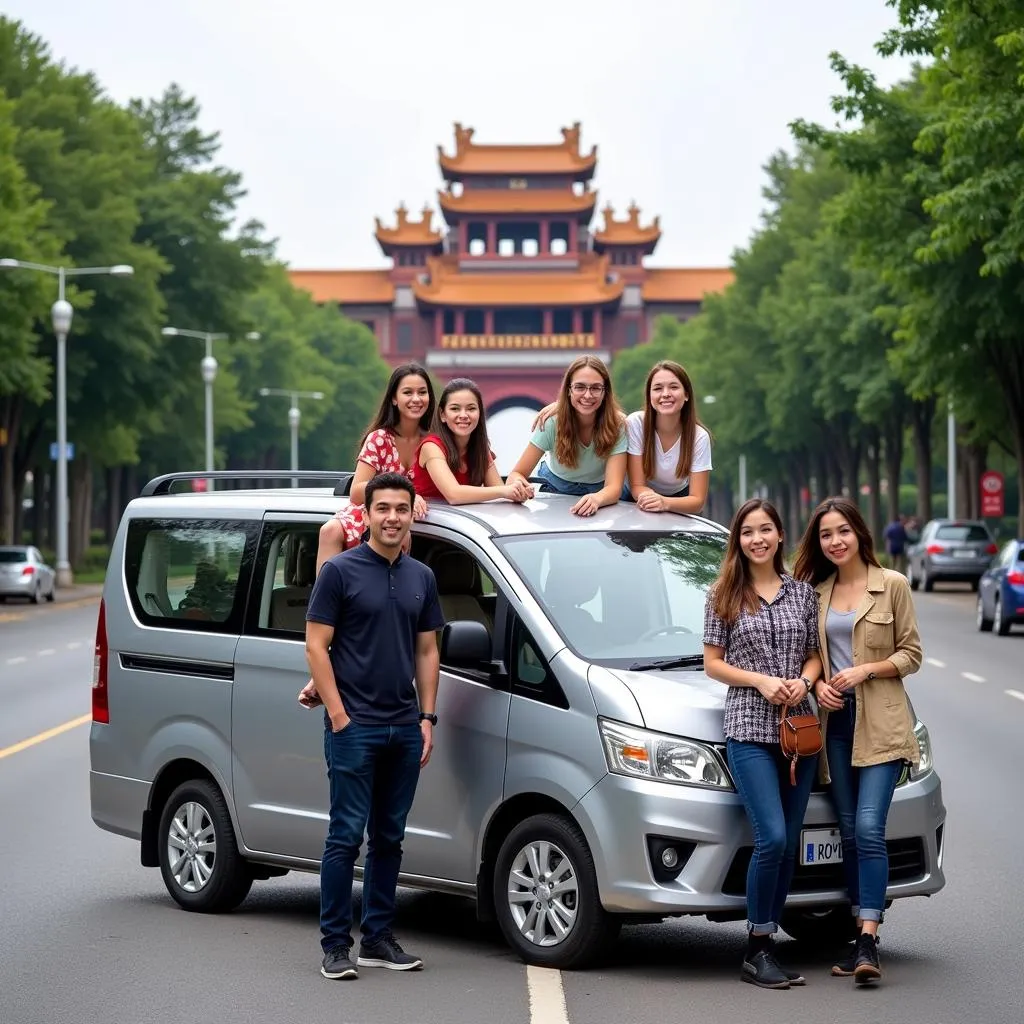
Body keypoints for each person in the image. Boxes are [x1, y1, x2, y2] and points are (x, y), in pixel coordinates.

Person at [306, 471, 445, 980]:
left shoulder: (421, 578)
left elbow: (427, 649)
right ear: (365, 514)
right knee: (345, 836)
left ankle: (379, 937)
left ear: (411, 515)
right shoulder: (339, 572)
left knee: (390, 837)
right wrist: (339, 716)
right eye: (382, 508)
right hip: (354, 726)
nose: (391, 517)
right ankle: (335, 946)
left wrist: (427, 717)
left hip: (405, 725)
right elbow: (316, 645)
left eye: (400, 509)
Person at [793, 497, 923, 985]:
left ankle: (868, 938)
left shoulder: (891, 585)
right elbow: (813, 657)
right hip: (836, 726)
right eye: (826, 535)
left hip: (883, 724)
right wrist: (821, 683)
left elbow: (911, 654)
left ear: (859, 533)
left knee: (868, 827)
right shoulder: (817, 593)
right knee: (847, 832)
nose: (835, 541)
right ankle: (857, 937)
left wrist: (867, 669)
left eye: (842, 531)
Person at [703, 498, 823, 990]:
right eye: (748, 531)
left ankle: (769, 941)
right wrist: (759, 681)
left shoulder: (802, 595)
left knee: (789, 840)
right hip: (749, 729)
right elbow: (712, 663)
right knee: (770, 836)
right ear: (739, 539)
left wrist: (803, 680)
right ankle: (756, 946)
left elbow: (815, 655)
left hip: (799, 731)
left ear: (779, 536)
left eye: (766, 529)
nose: (757, 538)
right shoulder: (723, 594)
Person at [316, 363, 435, 574]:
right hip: (376, 511)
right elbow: (356, 491)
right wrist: (408, 495)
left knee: (404, 533)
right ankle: (326, 596)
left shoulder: (435, 442)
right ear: (394, 398)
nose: (416, 399)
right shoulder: (380, 439)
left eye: (422, 392)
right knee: (331, 530)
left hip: (418, 518)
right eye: (408, 392)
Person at [506, 355, 626, 517]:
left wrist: (597, 499)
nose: (588, 395)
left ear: (605, 392)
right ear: (568, 390)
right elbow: (517, 473)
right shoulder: (551, 423)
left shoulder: (618, 425)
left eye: (596, 388)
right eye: (580, 387)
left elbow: (614, 487)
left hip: (602, 492)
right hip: (556, 487)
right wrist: (519, 485)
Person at [411, 378, 534, 505]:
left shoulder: (480, 450)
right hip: (427, 522)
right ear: (442, 415)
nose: (463, 415)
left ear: (479, 413)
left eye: (471, 409)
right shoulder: (431, 447)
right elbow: (453, 495)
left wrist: (518, 492)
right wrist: (505, 491)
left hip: (463, 522)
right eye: (455, 409)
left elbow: (500, 494)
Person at [625, 360, 712, 513]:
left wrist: (664, 502)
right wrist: (653, 500)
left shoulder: (699, 437)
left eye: (673, 387)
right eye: (658, 388)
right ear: (649, 396)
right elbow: (637, 485)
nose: (665, 394)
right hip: (635, 497)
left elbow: (697, 501)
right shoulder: (636, 423)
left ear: (686, 395)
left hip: (680, 500)